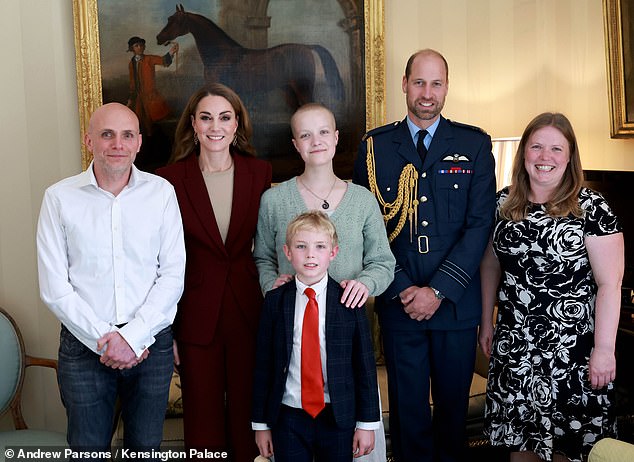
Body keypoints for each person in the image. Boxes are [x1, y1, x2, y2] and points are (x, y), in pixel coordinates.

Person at [353, 48, 497, 461]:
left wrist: (437, 291)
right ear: (404, 84)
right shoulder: (374, 148)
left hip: (454, 307)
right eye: (419, 82)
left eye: (436, 83)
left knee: (453, 415)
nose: (427, 93)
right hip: (400, 307)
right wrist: (403, 289)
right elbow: (369, 229)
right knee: (407, 413)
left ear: (447, 88)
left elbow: (478, 227)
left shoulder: (473, 144)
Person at [36, 102, 186, 454]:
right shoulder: (59, 198)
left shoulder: (161, 193)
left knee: (146, 451)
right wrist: (107, 341)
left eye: (126, 135)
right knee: (88, 450)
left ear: (138, 143)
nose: (117, 144)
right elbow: (55, 287)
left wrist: (132, 338)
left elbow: (173, 275)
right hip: (83, 349)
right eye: (107, 134)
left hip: (150, 345)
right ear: (89, 140)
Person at [479, 112, 624, 462]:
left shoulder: (592, 208)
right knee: (521, 448)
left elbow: (610, 284)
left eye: (556, 149)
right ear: (524, 153)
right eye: (537, 147)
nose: (545, 157)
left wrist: (604, 349)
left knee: (569, 451)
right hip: (516, 348)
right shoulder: (501, 204)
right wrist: (487, 322)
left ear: (570, 156)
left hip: (573, 352)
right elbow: (490, 264)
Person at [253, 103, 395, 461]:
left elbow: (383, 261)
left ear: (335, 138)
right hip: (294, 324)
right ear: (296, 144)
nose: (315, 141)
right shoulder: (274, 200)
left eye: (322, 132)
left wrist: (365, 284)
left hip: (344, 330)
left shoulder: (362, 200)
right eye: (305, 134)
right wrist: (272, 283)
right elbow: (263, 257)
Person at [156, 83, 272, 462]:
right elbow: (160, 260)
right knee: (202, 425)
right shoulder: (169, 180)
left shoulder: (259, 172)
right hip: (193, 316)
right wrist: (166, 330)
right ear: (193, 124)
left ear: (237, 124)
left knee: (247, 418)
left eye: (224, 117)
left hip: (247, 312)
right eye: (206, 118)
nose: (215, 126)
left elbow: (270, 245)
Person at [252, 211, 380, 462]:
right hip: (288, 415)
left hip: (337, 416)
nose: (310, 254)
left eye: (320, 246)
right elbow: (263, 367)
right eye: (301, 246)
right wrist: (261, 425)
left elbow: (364, 366)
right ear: (288, 252)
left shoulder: (349, 301)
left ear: (333, 253)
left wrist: (367, 423)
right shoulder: (275, 302)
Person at [126, 36, 179, 136]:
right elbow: (132, 82)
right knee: (140, 122)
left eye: (141, 45)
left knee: (157, 119)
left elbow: (163, 61)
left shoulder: (149, 59)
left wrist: (171, 51)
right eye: (136, 46)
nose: (140, 47)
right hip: (138, 98)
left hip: (151, 96)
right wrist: (131, 98)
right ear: (132, 48)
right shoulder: (131, 63)